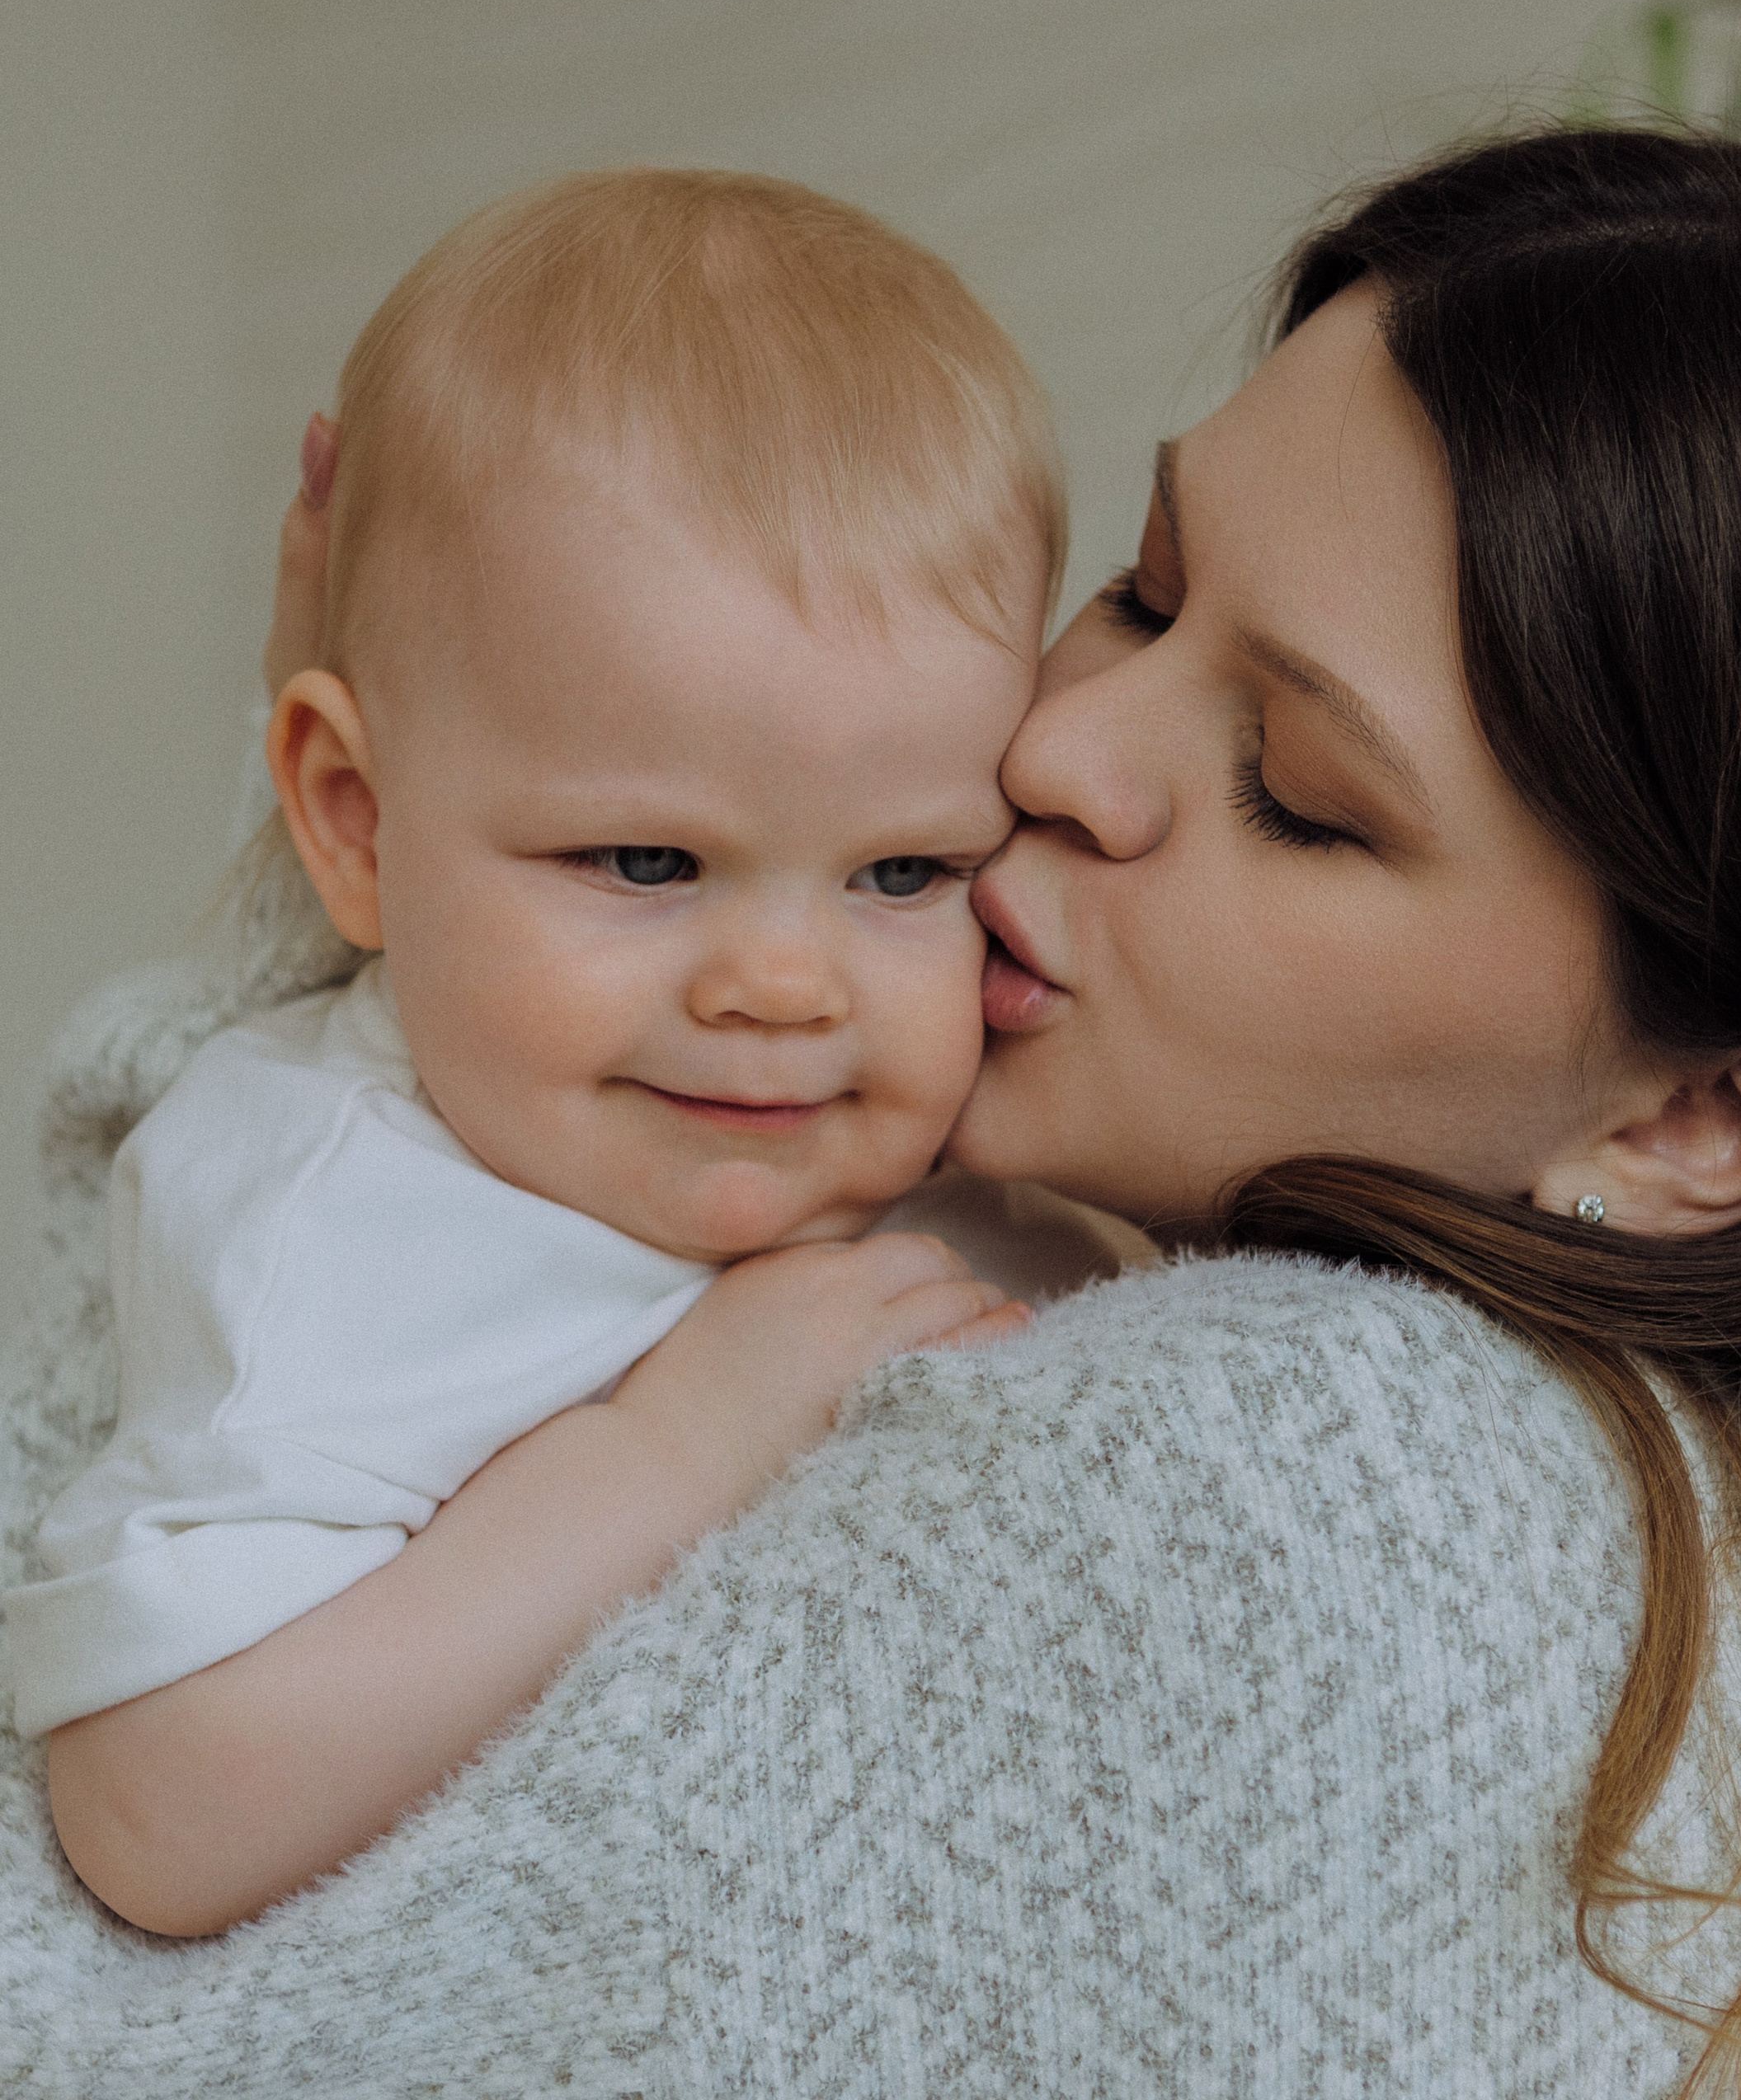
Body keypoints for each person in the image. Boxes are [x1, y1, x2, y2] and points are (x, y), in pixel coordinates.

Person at [1, 129, 1741, 2098]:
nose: (1060, 747)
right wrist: (440, 743)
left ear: (1701, 1123)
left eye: (1294, 787)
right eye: (1144, 587)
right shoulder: (920, 1163)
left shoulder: (1305, 1489)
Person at [9, 168, 1085, 1935]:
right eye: (646, 863)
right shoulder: (327, 1216)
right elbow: (156, 1806)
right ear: (352, 825)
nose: (781, 985)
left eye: (904, 869)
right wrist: (664, 1455)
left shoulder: (988, 1102)